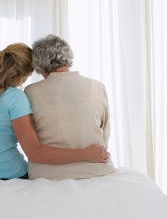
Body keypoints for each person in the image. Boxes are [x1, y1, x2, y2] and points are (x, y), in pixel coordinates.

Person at [0, 43, 108, 180]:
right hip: (9, 175)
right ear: (20, 76)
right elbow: (35, 153)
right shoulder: (15, 98)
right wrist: (87, 154)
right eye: (27, 77)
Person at [24, 35, 116, 180]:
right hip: (96, 170)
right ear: (68, 58)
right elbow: (104, 134)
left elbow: (32, 144)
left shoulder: (30, 91)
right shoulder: (98, 87)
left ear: (39, 66)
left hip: (48, 176)